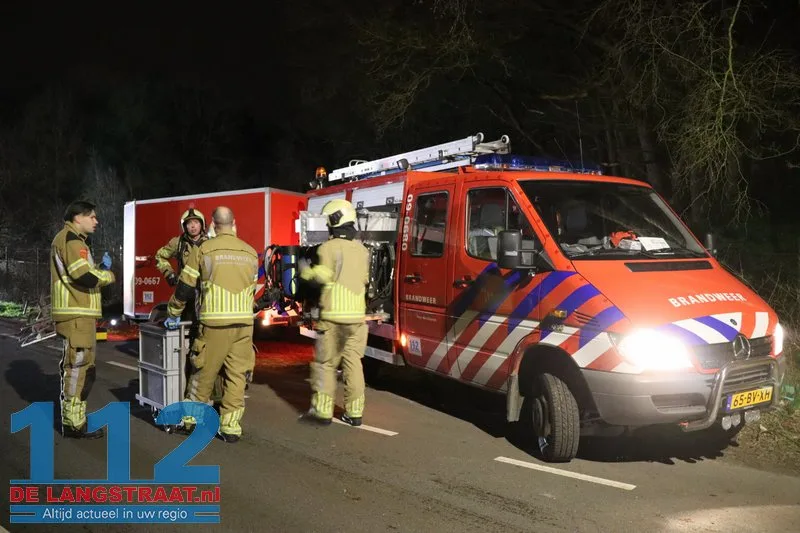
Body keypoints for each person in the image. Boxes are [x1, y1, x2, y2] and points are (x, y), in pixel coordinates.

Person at [164, 206, 258, 443]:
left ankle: (191, 420)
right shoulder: (250, 252)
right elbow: (252, 289)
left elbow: (186, 286)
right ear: (233, 223)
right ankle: (231, 428)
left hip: (214, 323)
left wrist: (173, 311)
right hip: (244, 324)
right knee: (236, 376)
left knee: (203, 373)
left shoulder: (204, 249)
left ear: (213, 225)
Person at [298, 198, 370, 427]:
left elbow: (321, 277)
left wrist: (304, 270)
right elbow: (364, 280)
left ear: (334, 220)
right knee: (353, 364)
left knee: (326, 365)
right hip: (357, 319)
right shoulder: (362, 250)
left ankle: (323, 411)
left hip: (333, 318)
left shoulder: (328, 248)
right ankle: (355, 413)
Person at [50, 200, 116, 439]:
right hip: (76, 313)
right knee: (78, 368)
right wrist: (107, 275)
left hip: (79, 313)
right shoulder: (72, 240)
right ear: (78, 217)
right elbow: (83, 276)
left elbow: (80, 272)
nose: (96, 221)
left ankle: (76, 420)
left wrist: (96, 266)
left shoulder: (73, 240)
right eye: (92, 217)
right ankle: (73, 424)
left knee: (83, 367)